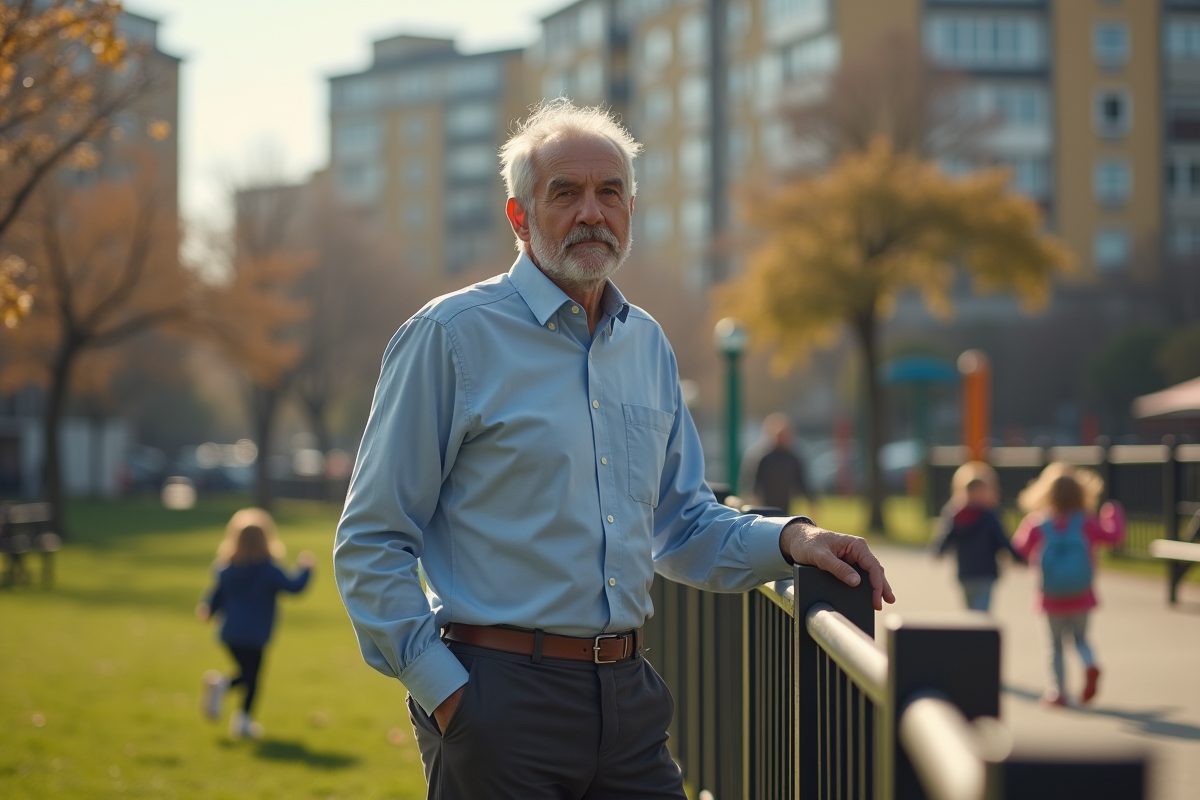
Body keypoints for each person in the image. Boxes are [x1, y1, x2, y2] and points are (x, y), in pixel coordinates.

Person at [333, 99, 894, 800]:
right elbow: (371, 539)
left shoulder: (648, 344)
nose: (591, 212)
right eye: (564, 193)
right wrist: (447, 694)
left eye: (610, 192)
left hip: (629, 702)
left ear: (631, 207)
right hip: (497, 698)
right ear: (519, 216)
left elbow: (682, 525)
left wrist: (795, 541)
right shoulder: (450, 336)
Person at [1011, 463, 1124, 707]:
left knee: (1055, 646)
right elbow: (1113, 537)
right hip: (1082, 594)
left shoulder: (1037, 523)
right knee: (1081, 639)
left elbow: (1018, 550)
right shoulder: (1085, 522)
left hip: (1050, 597)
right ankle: (1090, 663)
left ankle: (1057, 692)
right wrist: (1113, 513)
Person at [197, 507, 314, 739]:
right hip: (256, 634)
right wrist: (306, 569)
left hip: (230, 634)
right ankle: (241, 719)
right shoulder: (269, 570)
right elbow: (294, 587)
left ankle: (228, 698)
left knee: (247, 675)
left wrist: (208, 610)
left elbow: (217, 595)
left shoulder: (227, 569)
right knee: (252, 679)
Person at [931, 477, 1024, 612]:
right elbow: (1002, 540)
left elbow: (946, 538)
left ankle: (972, 632)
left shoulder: (956, 514)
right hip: (984, 572)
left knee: (971, 611)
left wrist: (938, 551)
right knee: (980, 612)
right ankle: (977, 633)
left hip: (967, 571)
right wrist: (1018, 557)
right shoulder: (988, 516)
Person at [738, 413, 815, 514]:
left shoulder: (793, 459)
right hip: (764, 508)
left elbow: (802, 483)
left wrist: (812, 502)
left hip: (785, 508)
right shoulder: (763, 458)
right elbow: (753, 485)